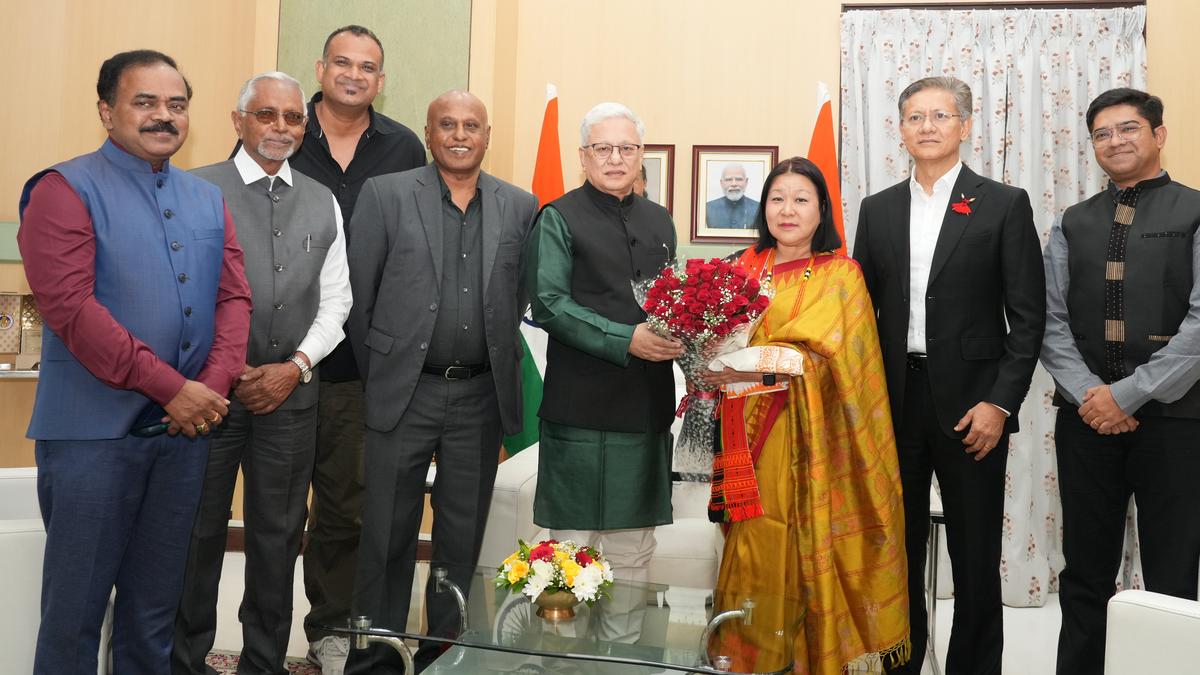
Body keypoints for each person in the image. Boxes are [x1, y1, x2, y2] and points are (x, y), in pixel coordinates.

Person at [16, 49, 251, 675]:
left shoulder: (207, 197)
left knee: (154, 618)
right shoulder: (62, 189)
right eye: (144, 102)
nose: (163, 116)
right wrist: (173, 388)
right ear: (106, 110)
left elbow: (234, 298)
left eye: (176, 104)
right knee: (74, 618)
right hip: (92, 439)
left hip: (183, 437)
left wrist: (211, 386)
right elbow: (72, 310)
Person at [853, 76, 1045, 675]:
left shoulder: (1003, 203)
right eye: (915, 117)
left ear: (964, 125)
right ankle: (900, 665)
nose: (927, 126)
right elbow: (857, 313)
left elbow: (1028, 319)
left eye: (940, 115)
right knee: (895, 552)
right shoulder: (878, 208)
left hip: (973, 408)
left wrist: (1000, 404)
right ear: (900, 130)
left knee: (975, 554)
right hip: (894, 403)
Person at [343, 90, 538, 675]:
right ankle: (374, 662)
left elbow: (519, 297)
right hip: (405, 391)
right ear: (428, 134)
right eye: (447, 124)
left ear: (487, 135)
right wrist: (387, 372)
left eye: (471, 125)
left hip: (479, 396)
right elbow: (358, 298)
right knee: (386, 534)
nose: (459, 135)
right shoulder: (386, 195)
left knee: (460, 540)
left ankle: (442, 660)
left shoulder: (520, 206)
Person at [172, 72, 351, 675]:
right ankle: (183, 661)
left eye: (293, 117)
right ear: (238, 120)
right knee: (197, 534)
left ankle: (264, 663)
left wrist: (294, 367)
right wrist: (221, 368)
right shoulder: (195, 189)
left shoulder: (323, 200)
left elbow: (338, 300)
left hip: (290, 400)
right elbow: (177, 293)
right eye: (266, 114)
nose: (280, 128)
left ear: (305, 126)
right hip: (206, 399)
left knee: (278, 539)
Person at [700, 157, 909, 675]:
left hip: (813, 437)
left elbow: (848, 362)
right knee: (750, 542)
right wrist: (708, 363)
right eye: (777, 199)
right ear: (763, 208)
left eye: (800, 200)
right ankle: (747, 657)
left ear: (821, 211)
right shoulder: (739, 270)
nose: (787, 210)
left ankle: (805, 661)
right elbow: (711, 346)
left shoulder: (841, 276)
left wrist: (758, 363)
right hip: (742, 433)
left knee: (792, 538)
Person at [1041, 88, 1200, 675]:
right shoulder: (1071, 221)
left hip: (1177, 423)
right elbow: (1050, 321)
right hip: (1086, 422)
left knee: (1172, 575)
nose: (1115, 141)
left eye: (1128, 128)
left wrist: (1126, 395)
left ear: (1159, 134)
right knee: (1084, 571)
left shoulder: (1194, 211)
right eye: (1102, 134)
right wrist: (1093, 395)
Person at [289, 24, 427, 670]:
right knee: (275, 507)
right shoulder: (283, 132)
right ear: (320, 69)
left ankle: (330, 627)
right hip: (278, 355)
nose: (353, 74)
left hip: (358, 361)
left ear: (381, 79)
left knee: (344, 506)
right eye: (341, 62)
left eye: (366, 67)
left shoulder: (403, 147)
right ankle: (261, 629)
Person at [525, 102, 682, 600]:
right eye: (603, 148)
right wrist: (626, 338)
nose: (615, 158)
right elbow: (549, 305)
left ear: (641, 154)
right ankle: (560, 647)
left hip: (645, 408)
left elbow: (671, 301)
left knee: (634, 551)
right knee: (570, 553)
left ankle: (626, 646)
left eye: (626, 148)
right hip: (579, 411)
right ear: (583, 156)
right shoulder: (558, 217)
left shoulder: (660, 220)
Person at [706, 163, 759, 228]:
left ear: (746, 182)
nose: (734, 184)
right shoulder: (707, 209)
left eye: (739, 179)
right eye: (728, 179)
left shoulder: (759, 208)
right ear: (721, 183)